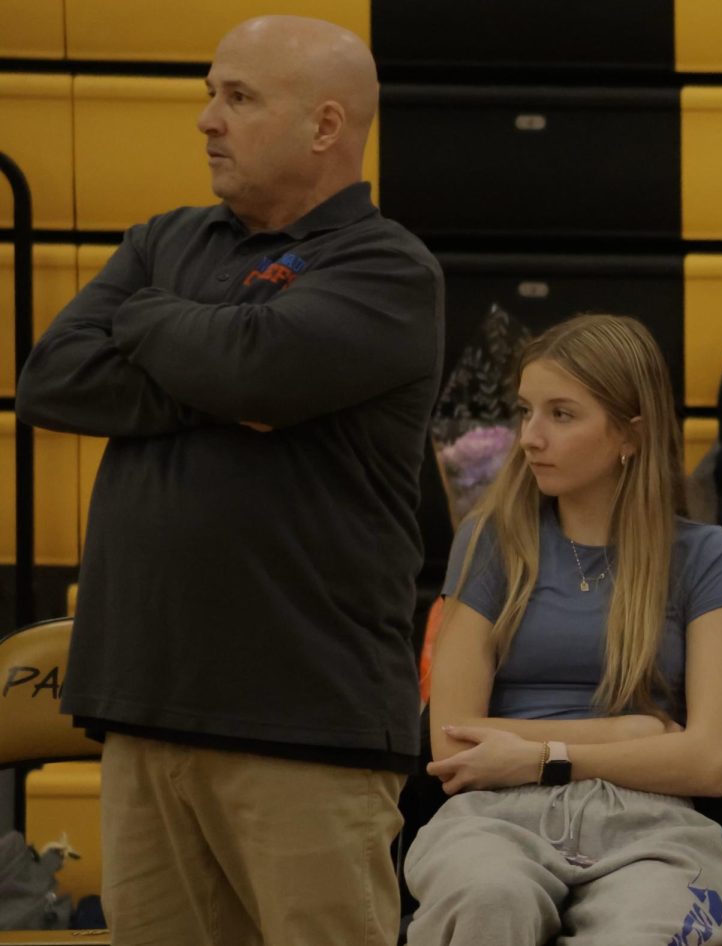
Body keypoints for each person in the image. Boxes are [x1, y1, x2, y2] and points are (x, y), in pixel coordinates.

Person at [15, 15, 442, 946]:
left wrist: (166, 331)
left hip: (302, 726)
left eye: (239, 97)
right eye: (210, 92)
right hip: (140, 708)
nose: (207, 119)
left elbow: (256, 371)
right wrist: (224, 363)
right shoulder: (167, 236)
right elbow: (50, 378)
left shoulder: (387, 266)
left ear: (326, 126)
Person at [404, 314, 722, 946]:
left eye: (561, 415)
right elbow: (451, 746)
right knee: (489, 896)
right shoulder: (489, 540)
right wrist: (629, 731)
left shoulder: (704, 554)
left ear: (630, 434)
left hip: (654, 826)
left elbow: (710, 761)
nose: (530, 437)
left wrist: (540, 757)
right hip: (493, 820)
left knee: (652, 929)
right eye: (526, 411)